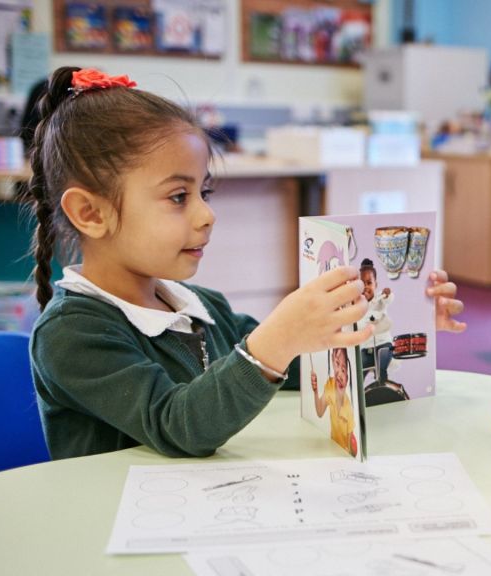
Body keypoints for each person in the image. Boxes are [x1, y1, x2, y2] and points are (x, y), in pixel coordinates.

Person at [27, 66, 465, 460]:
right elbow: (179, 425)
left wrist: (396, 324)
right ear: (90, 213)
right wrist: (276, 339)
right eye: (178, 197)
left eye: (204, 193)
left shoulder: (204, 308)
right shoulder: (71, 334)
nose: (206, 215)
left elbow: (302, 366)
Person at [309, 346, 357, 455]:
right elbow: (320, 412)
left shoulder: (348, 409)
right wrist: (315, 391)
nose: (339, 374)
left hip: (344, 453)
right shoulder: (330, 385)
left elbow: (352, 446)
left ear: (347, 377)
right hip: (332, 447)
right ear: (332, 361)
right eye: (337, 364)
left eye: (343, 370)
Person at [358, 258, 395, 384]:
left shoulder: (380, 299)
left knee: (381, 370)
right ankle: (359, 393)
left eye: (369, 283)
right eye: (362, 284)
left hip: (383, 345)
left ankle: (382, 384)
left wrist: (387, 294)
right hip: (366, 349)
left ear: (376, 284)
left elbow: (388, 299)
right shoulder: (357, 305)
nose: (365, 287)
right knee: (358, 375)